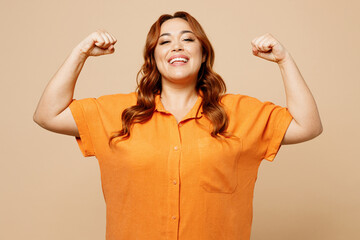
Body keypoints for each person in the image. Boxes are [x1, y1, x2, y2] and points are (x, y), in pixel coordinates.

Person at [33, 11, 322, 240]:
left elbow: (307, 125)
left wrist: (284, 60)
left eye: (188, 38)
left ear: (203, 52)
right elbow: (48, 114)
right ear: (153, 56)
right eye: (165, 41)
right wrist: (80, 53)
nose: (177, 46)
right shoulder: (117, 112)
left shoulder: (240, 112)